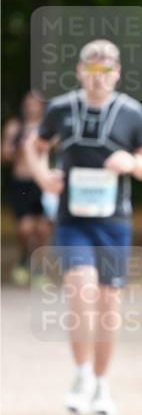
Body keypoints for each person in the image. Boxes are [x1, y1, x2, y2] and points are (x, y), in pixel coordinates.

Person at [24, 39, 142, 415]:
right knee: (80, 289)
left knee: (107, 305)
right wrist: (42, 176)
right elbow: (34, 146)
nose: (99, 77)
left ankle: (102, 383)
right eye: (92, 69)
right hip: (73, 221)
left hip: (113, 223)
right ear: (80, 71)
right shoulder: (61, 108)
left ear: (117, 73)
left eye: (106, 70)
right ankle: (81, 374)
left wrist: (131, 163)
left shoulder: (131, 112)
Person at [1, 93, 52, 284]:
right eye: (27, 104)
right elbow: (4, 155)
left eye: (34, 104)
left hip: (42, 183)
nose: (30, 108)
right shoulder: (15, 127)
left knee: (43, 229)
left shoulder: (48, 127)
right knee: (25, 228)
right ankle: (25, 256)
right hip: (21, 182)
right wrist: (15, 150)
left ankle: (40, 267)